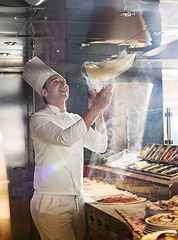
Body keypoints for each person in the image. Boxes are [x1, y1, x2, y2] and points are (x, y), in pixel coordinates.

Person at [22, 56, 113, 240]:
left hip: (77, 199)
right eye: (55, 81)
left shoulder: (74, 119)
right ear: (44, 93)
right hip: (51, 201)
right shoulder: (39, 119)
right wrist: (94, 109)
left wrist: (100, 114)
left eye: (64, 81)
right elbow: (66, 138)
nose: (63, 83)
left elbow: (100, 145)